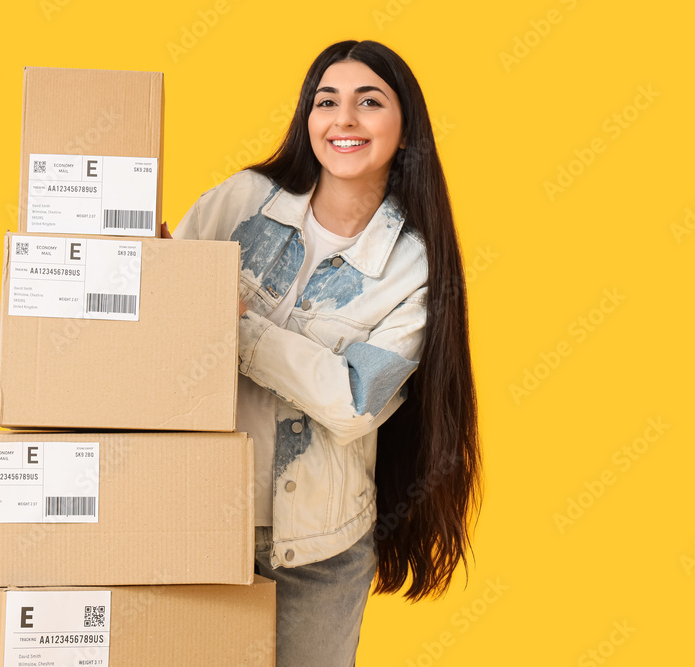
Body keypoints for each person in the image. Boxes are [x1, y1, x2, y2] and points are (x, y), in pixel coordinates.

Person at [164, 39, 482, 666]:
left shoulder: (414, 265)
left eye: (369, 102)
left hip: (317, 550)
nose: (344, 120)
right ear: (307, 118)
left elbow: (356, 401)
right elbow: (166, 320)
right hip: (195, 521)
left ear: (404, 124)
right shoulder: (241, 200)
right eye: (325, 101)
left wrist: (237, 325)